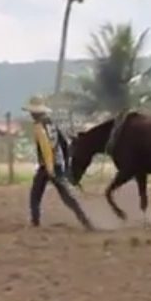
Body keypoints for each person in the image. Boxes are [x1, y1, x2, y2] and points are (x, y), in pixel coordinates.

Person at [23, 98, 94, 231]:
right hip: (57, 164)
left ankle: (35, 221)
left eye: (32, 112)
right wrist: (65, 164)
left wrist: (49, 167)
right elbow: (64, 144)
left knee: (36, 194)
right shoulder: (52, 124)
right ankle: (84, 220)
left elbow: (45, 148)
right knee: (66, 196)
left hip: (47, 165)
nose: (31, 114)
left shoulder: (39, 126)